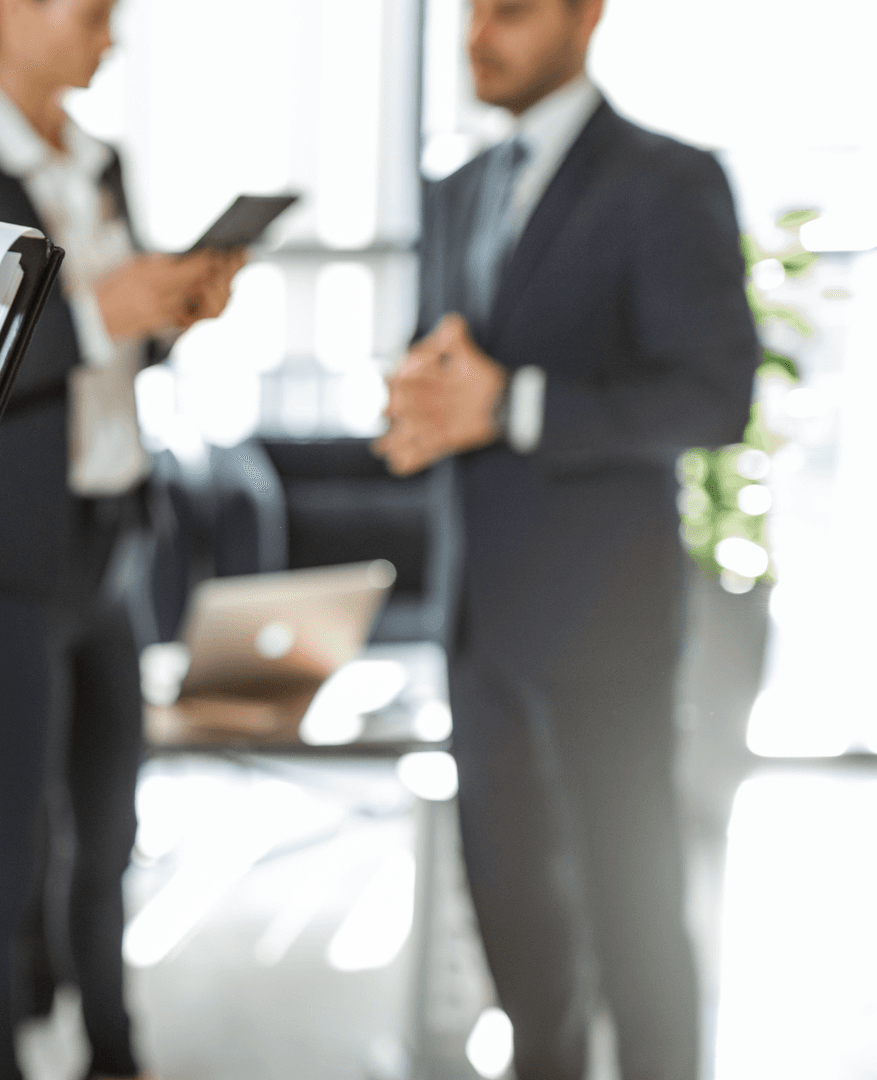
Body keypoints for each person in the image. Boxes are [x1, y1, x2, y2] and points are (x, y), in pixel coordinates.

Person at [375, 0, 759, 1077]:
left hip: (606, 629)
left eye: (510, 11)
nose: (476, 35)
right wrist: (418, 404)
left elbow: (715, 397)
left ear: (587, 16)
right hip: (479, 625)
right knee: (511, 920)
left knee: (634, 927)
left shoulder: (666, 180)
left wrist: (518, 405)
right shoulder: (458, 188)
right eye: (468, 12)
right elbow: (446, 364)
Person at [0, 3, 243, 1078]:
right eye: (93, 14)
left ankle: (115, 1054)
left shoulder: (104, 165)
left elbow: (115, 354)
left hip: (107, 551)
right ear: (13, 15)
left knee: (111, 843)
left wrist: (170, 311)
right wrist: (103, 311)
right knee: (8, 856)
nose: (110, 37)